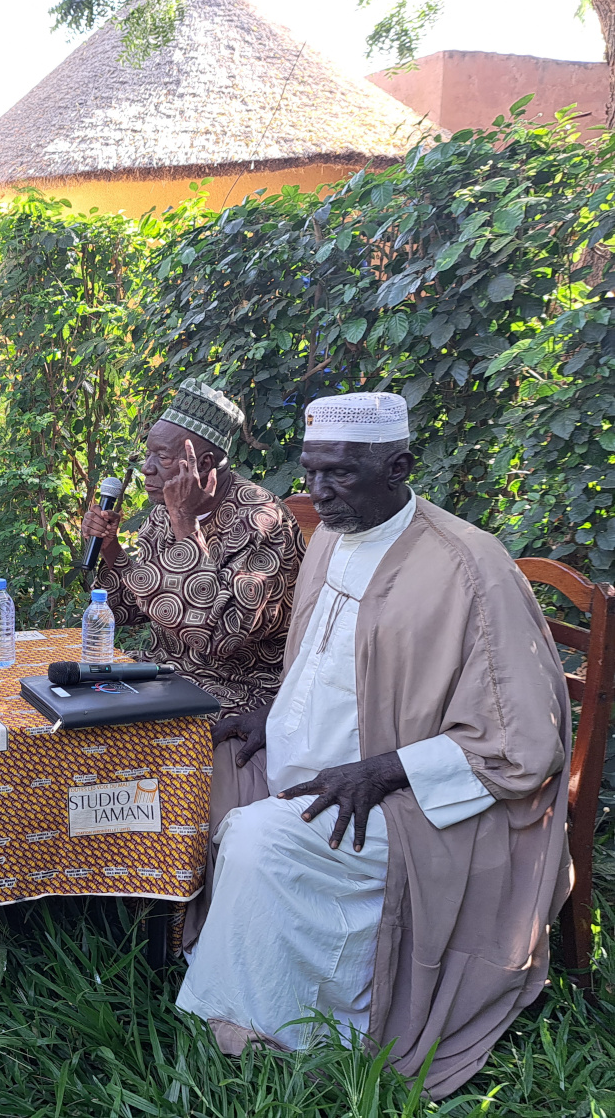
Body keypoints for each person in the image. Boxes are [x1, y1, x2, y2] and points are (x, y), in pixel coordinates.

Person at [175, 392, 570, 1098]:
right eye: (311, 470)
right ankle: (236, 964)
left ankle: (260, 1028)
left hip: (419, 803)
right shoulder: (333, 532)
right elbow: (330, 665)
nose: (318, 492)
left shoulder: (469, 566)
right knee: (192, 774)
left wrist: (383, 771)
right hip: (320, 768)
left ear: (399, 466)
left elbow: (522, 744)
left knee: (261, 839)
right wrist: (272, 711)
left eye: (341, 475)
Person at [81, 378, 302, 714]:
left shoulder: (262, 520)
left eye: (163, 456)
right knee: (72, 705)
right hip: (165, 673)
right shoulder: (162, 514)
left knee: (116, 732)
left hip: (237, 688)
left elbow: (220, 637)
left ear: (204, 465)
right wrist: (111, 549)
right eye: (148, 452)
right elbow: (133, 608)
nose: (147, 467)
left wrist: (185, 523)